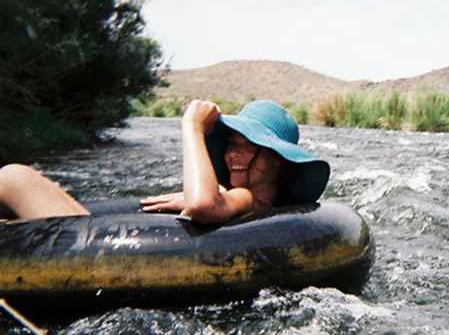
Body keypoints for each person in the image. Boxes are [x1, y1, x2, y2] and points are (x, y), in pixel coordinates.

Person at [0, 100, 330, 224]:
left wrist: (191, 126)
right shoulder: (241, 198)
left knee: (14, 176)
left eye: (249, 147)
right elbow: (206, 199)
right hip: (85, 240)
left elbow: (204, 205)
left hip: (81, 250)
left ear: (280, 163)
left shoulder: (248, 198)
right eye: (232, 144)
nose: (233, 155)